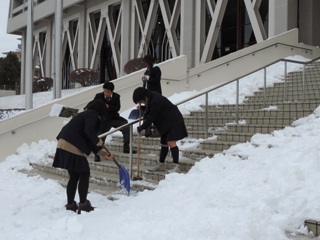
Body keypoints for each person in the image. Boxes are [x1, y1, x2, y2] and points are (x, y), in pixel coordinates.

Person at [52, 100, 113, 213]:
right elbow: (89, 131)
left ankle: (71, 205)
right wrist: (97, 140)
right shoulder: (92, 114)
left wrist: (102, 153)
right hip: (72, 143)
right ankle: (83, 204)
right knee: (85, 173)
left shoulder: (85, 115)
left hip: (63, 142)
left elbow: (87, 137)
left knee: (74, 176)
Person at [132, 87, 188, 173]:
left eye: (142, 101)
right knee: (164, 144)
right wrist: (143, 108)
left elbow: (152, 116)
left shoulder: (155, 100)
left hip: (173, 120)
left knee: (171, 143)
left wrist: (141, 127)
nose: (142, 103)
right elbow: (151, 109)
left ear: (144, 97)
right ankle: (161, 164)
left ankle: (176, 166)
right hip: (166, 122)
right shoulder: (151, 97)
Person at [91, 82, 136, 161]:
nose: (106, 93)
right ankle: (97, 153)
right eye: (105, 91)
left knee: (126, 126)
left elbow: (117, 108)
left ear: (111, 91)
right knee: (101, 135)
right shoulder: (98, 96)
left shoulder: (116, 96)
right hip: (103, 120)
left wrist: (108, 106)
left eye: (108, 92)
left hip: (114, 118)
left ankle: (126, 147)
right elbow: (93, 106)